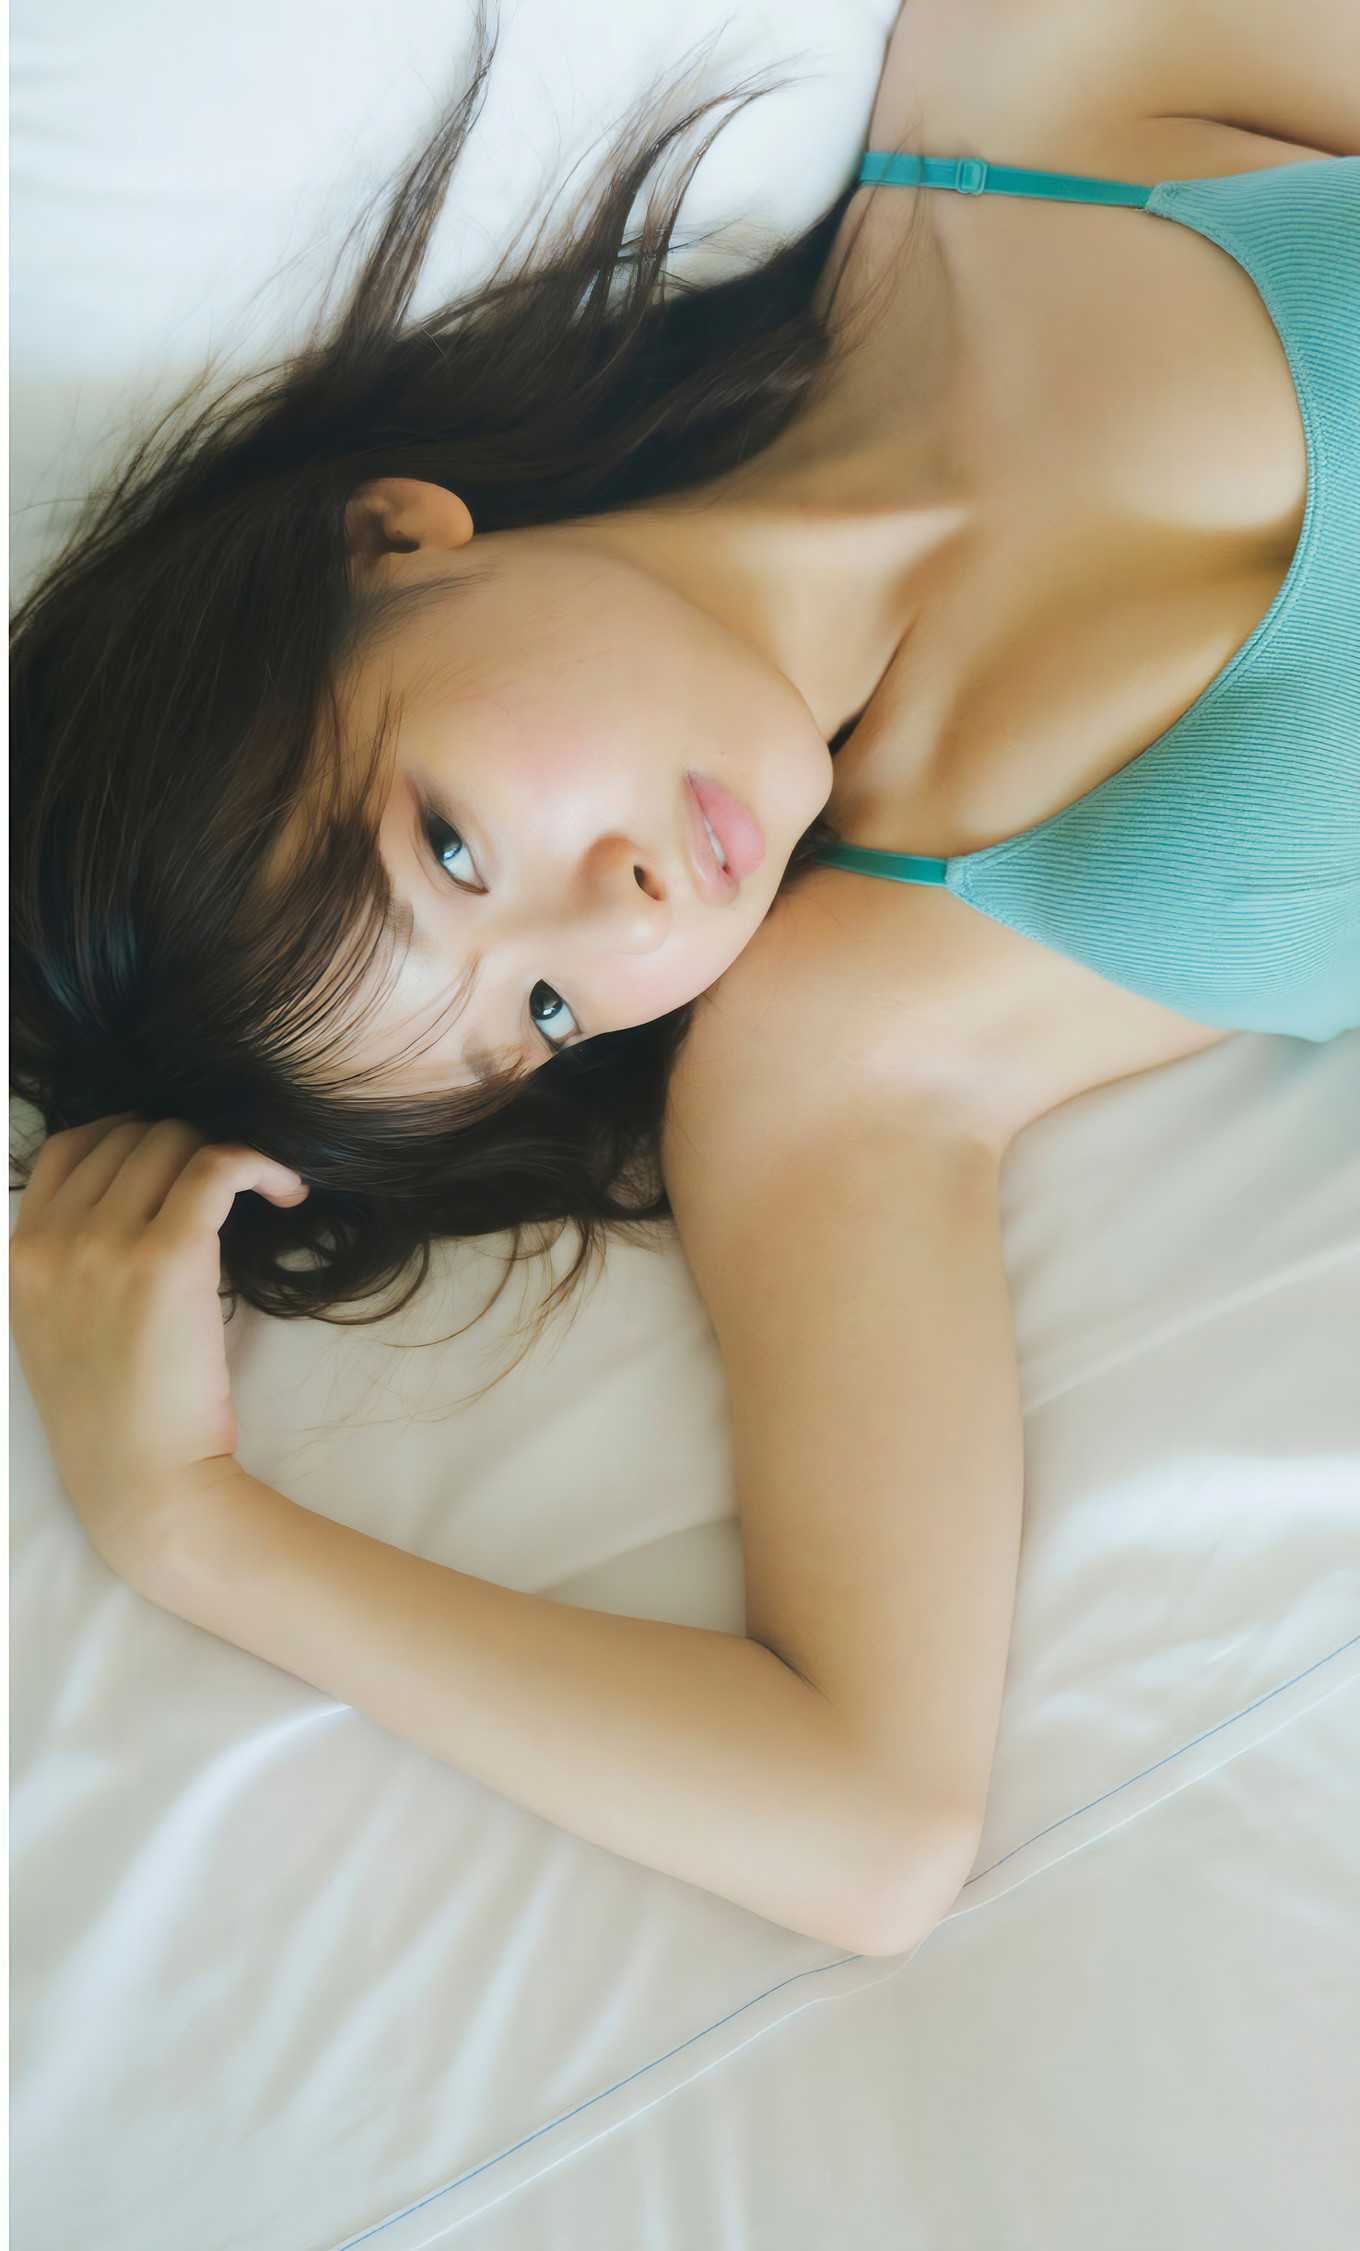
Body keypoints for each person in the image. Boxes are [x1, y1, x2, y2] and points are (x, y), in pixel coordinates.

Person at [10, 1, 1358, 1948]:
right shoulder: (849, 1035)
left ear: (384, 541)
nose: (627, 915)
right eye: (540, 1016)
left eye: (451, 850)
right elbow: (869, 1824)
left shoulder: (1022, 92)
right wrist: (186, 1525)